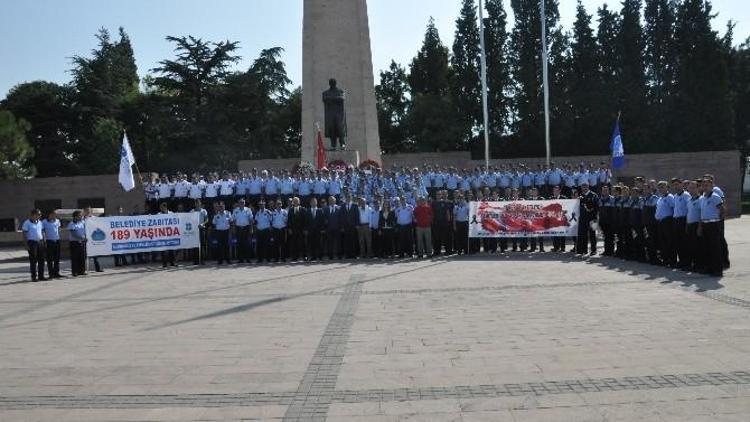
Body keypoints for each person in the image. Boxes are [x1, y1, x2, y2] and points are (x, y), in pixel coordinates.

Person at [699, 178, 725, 277]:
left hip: (713, 224)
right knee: (707, 247)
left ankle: (718, 269)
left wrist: (718, 221)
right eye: (703, 185)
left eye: (707, 185)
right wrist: (700, 227)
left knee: (715, 248)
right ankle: (710, 268)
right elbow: (702, 213)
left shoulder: (715, 196)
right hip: (705, 224)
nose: (704, 186)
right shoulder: (702, 197)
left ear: (711, 186)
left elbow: (722, 210)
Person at [21, 209, 46, 282]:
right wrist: (26, 245)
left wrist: (44, 241)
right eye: (38, 214)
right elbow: (24, 235)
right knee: (33, 260)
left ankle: (41, 276)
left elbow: (42, 232)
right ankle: (34, 277)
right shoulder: (27, 223)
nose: (40, 216)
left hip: (40, 242)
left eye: (40, 214)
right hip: (32, 243)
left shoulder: (40, 222)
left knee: (41, 260)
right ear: (33, 215)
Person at [655, 181, 675, 267]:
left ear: (667, 188)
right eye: (659, 187)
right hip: (660, 222)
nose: (661, 189)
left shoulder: (670, 197)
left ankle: (672, 261)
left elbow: (674, 209)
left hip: (668, 221)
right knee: (662, 242)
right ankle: (665, 259)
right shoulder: (660, 198)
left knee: (669, 242)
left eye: (663, 187)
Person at [672, 178, 691, 269]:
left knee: (685, 243)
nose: (676, 186)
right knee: (678, 242)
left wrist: (687, 222)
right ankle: (681, 261)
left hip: (684, 220)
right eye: (674, 185)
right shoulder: (675, 196)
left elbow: (689, 210)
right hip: (676, 220)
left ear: (682, 185)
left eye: (677, 184)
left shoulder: (686, 195)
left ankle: (687, 262)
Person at [576, 183, 598, 255]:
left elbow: (596, 207)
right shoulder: (580, 196)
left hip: (592, 218)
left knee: (592, 234)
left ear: (588, 187)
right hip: (583, 218)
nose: (584, 189)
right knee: (583, 234)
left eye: (585, 187)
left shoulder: (594, 195)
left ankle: (593, 250)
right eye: (583, 187)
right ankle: (584, 250)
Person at [232, 198, 254, 264]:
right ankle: (240, 259)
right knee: (239, 244)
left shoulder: (248, 210)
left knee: (247, 244)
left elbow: (251, 220)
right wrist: (233, 229)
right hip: (238, 228)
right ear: (238, 203)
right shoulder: (235, 210)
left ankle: (248, 259)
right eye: (240, 202)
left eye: (243, 202)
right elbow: (233, 220)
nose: (242, 203)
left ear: (244, 203)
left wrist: (251, 228)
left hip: (246, 228)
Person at [42, 210, 62, 278]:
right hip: (49, 241)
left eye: (55, 214)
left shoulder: (57, 221)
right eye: (53, 214)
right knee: (50, 259)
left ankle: (56, 273)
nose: (54, 216)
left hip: (57, 241)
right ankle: (51, 274)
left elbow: (59, 230)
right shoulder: (44, 222)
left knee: (57, 258)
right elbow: (43, 231)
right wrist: (44, 241)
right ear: (50, 214)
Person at [287, 197, 308, 261]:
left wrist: (305, 229)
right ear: (293, 202)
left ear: (299, 202)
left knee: (303, 243)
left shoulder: (303, 209)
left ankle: (305, 256)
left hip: (301, 229)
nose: (296, 202)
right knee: (294, 243)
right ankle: (295, 256)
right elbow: (289, 220)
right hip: (293, 229)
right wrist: (289, 229)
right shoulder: (290, 210)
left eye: (297, 201)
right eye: (294, 201)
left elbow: (306, 220)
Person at [68, 210, 87, 277]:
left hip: (82, 242)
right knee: (75, 258)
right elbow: (74, 234)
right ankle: (75, 272)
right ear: (75, 216)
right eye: (80, 215)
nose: (81, 217)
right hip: (74, 243)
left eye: (81, 215)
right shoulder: (71, 223)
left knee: (82, 257)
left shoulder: (82, 222)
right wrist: (82, 238)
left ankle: (82, 271)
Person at [83, 207, 102, 272]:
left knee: (95, 254)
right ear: (84, 211)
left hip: (93, 238)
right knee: (84, 255)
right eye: (86, 210)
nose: (88, 212)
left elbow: (98, 226)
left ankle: (98, 268)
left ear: (91, 211)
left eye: (89, 210)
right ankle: (83, 269)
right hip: (85, 238)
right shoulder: (82, 219)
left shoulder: (95, 218)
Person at [159, 203, 176, 268]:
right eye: (160, 208)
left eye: (161, 207)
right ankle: (164, 263)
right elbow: (153, 218)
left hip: (170, 234)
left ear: (165, 207)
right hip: (162, 234)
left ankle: (172, 262)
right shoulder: (159, 214)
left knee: (171, 249)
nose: (161, 209)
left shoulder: (171, 213)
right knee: (163, 250)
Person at [192, 200, 209, 265]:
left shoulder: (204, 211)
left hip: (202, 229)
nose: (197, 204)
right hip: (194, 230)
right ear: (195, 204)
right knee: (195, 245)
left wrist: (202, 224)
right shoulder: (192, 211)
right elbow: (188, 219)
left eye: (198, 203)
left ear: (200, 203)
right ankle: (195, 261)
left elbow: (207, 219)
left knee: (202, 245)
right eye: (196, 203)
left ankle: (202, 260)